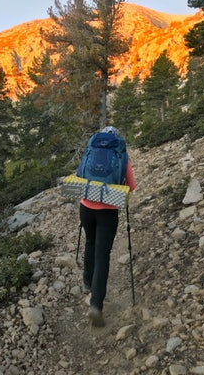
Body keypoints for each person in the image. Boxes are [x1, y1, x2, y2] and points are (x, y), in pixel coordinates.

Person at [79, 126, 136, 327]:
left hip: (86, 206)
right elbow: (131, 186)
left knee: (90, 242)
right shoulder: (121, 154)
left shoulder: (92, 148)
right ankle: (96, 305)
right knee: (102, 256)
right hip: (108, 210)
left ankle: (87, 281)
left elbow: (81, 174)